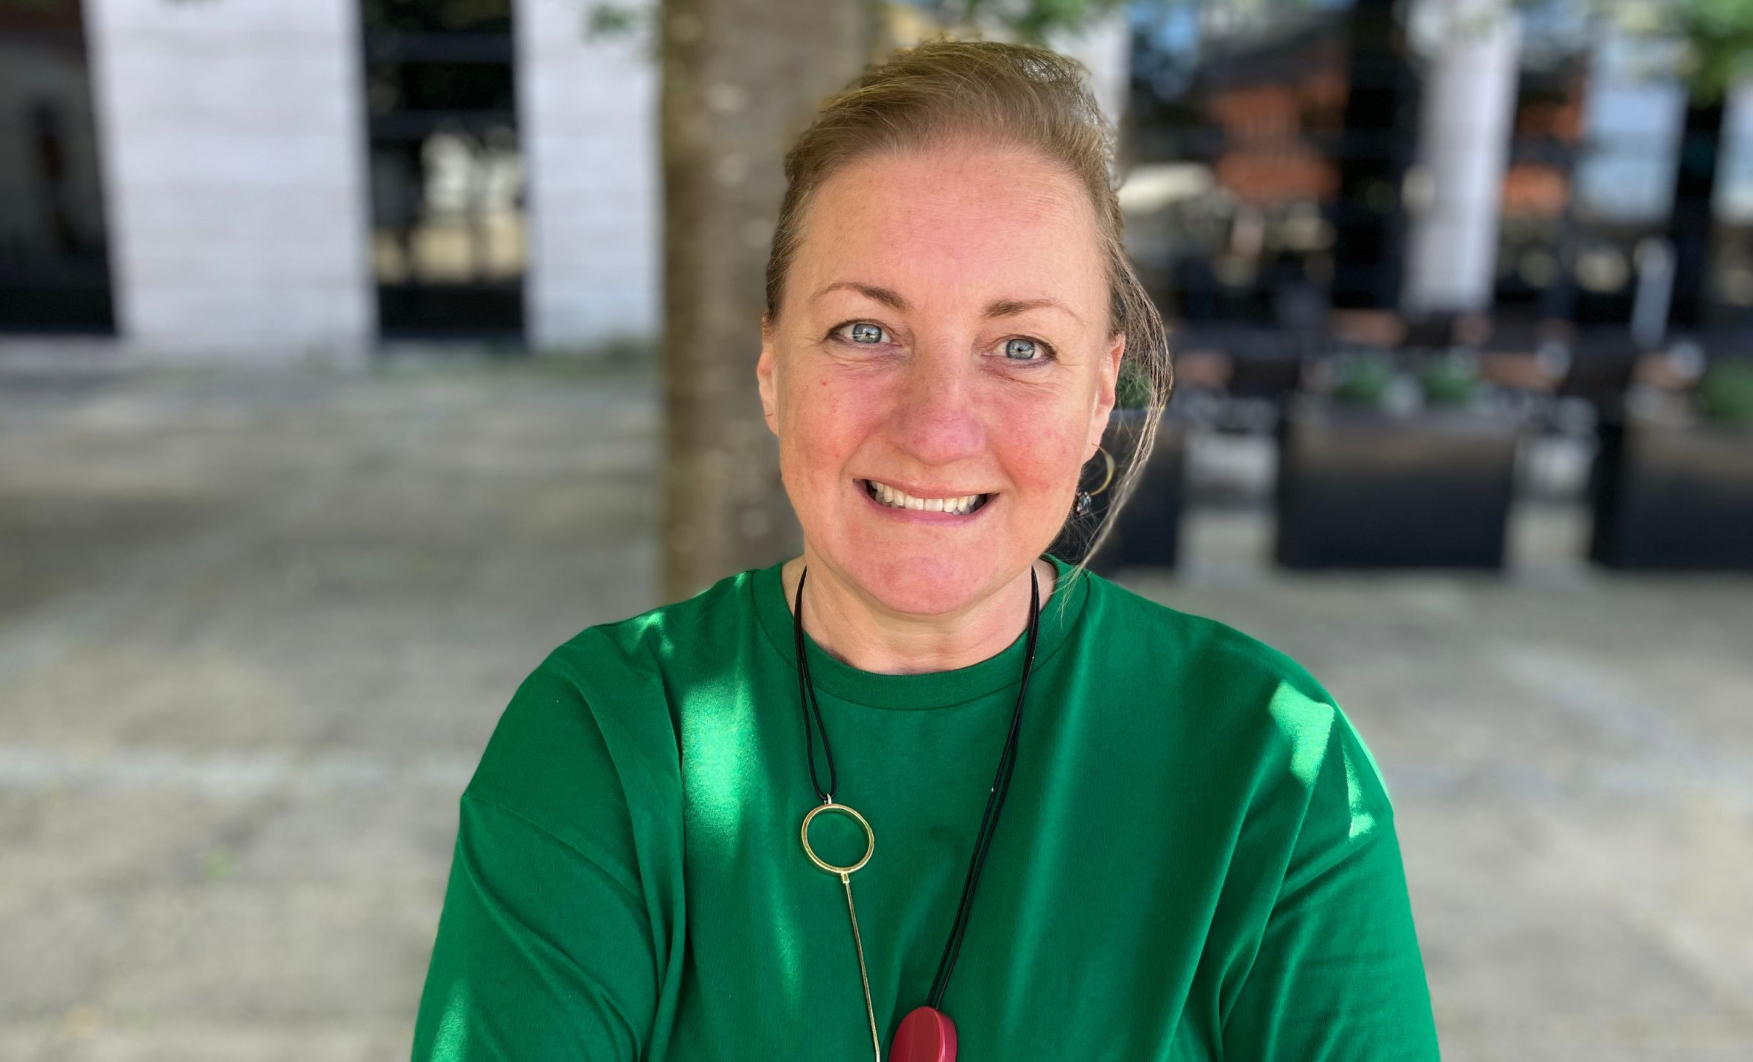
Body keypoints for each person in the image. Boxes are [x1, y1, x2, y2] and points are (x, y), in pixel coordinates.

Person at [410, 40, 1440, 1062]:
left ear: (1097, 396)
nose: (936, 428)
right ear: (772, 365)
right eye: (865, 331)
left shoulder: (1270, 765)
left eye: (1021, 347)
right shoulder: (607, 735)